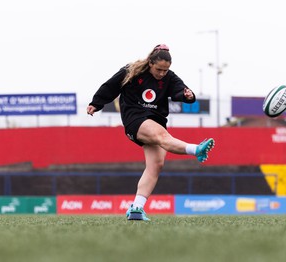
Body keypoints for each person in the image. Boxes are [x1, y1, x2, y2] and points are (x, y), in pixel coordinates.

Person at [87, 44, 215, 221]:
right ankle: (196, 150)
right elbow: (110, 86)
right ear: (150, 63)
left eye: (165, 70)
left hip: (157, 120)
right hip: (135, 118)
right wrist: (96, 103)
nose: (162, 73)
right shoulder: (131, 71)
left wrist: (188, 95)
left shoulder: (169, 77)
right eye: (159, 69)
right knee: (162, 137)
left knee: (156, 165)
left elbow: (182, 90)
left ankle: (136, 209)